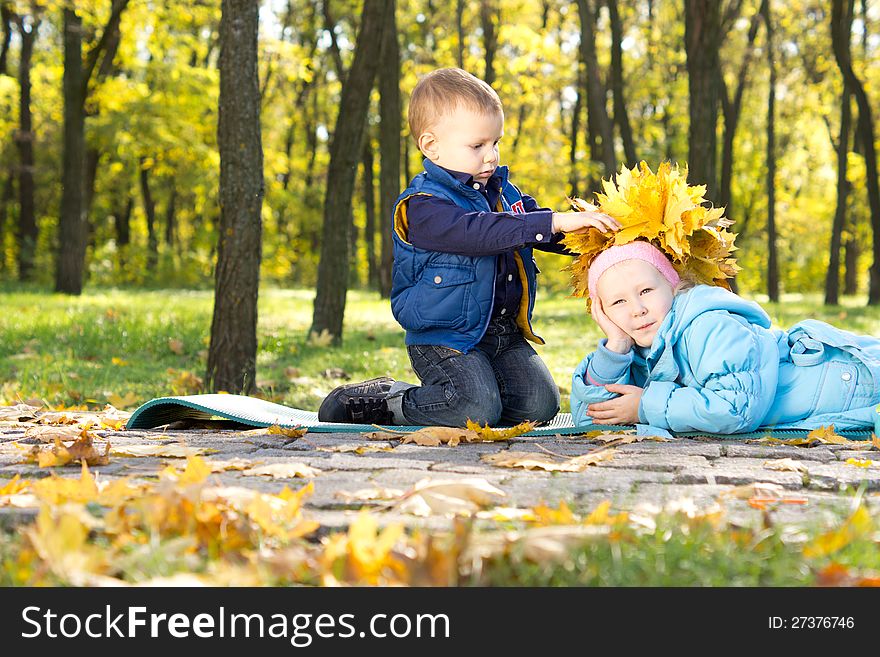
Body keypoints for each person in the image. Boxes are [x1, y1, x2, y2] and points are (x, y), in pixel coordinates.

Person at [319, 67, 619, 426]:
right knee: (471, 409)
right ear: (432, 146)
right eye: (477, 146)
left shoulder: (503, 194)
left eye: (495, 143)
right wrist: (551, 220)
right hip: (445, 338)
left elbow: (539, 230)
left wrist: (600, 234)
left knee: (540, 405)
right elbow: (477, 233)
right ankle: (386, 401)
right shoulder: (424, 205)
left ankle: (479, 393)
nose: (491, 156)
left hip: (502, 334)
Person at [571, 240, 880, 434]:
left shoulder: (710, 325)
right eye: (618, 302)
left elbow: (735, 409)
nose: (637, 309)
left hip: (857, 380)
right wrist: (615, 347)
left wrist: (645, 406)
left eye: (646, 291)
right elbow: (590, 421)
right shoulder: (639, 349)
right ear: (602, 312)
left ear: (674, 287)